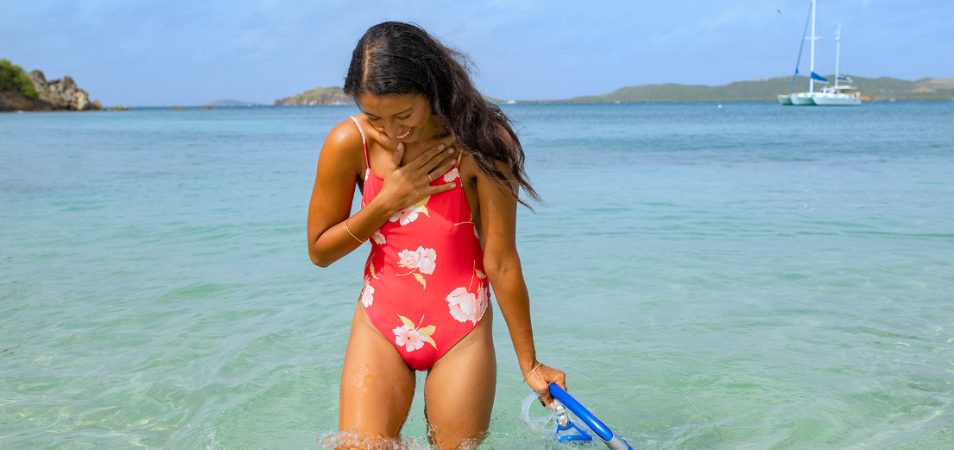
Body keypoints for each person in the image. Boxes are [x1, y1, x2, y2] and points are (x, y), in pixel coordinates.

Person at [307, 21, 566, 449]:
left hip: (461, 330)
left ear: (431, 90)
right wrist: (387, 201)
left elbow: (500, 260)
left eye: (404, 114)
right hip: (380, 323)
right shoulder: (349, 143)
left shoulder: (482, 144)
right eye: (375, 116)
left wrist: (530, 363)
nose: (391, 131)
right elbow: (319, 251)